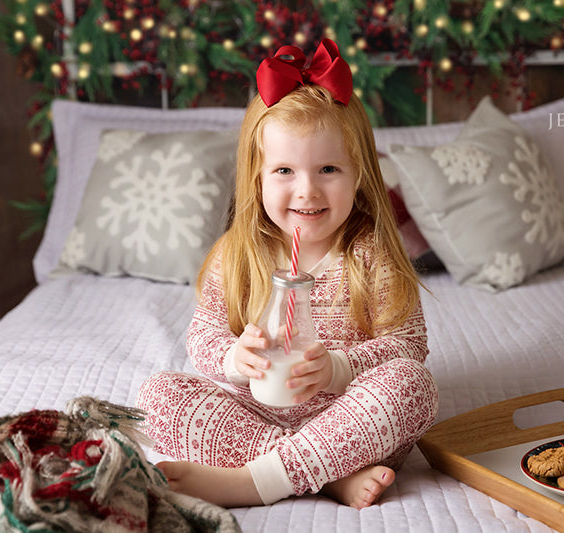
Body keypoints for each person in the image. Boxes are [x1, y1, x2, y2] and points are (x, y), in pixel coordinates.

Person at [136, 39, 438, 510]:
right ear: (255, 176)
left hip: (349, 421)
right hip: (257, 412)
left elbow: (409, 344)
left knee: (412, 385)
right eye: (283, 170)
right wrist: (236, 360)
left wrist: (338, 369)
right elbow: (204, 335)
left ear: (359, 173)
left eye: (329, 168)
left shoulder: (369, 254)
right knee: (158, 395)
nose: (307, 190)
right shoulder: (238, 255)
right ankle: (324, 478)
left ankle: (247, 483)